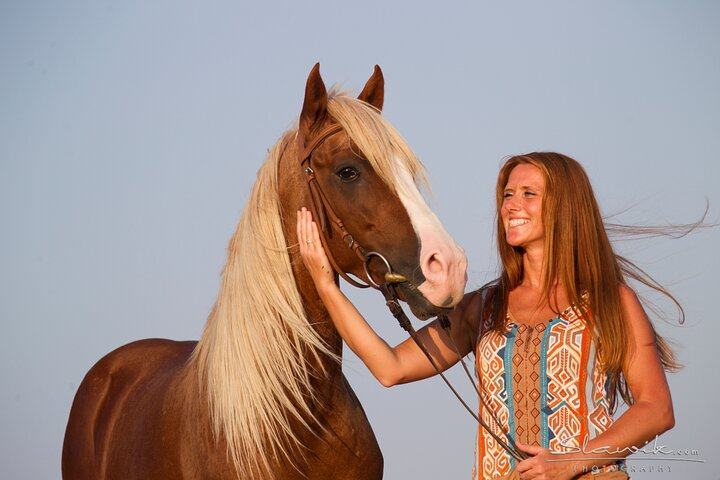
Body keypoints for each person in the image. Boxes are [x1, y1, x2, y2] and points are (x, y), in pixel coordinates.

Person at [297, 152, 678, 480]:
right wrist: (328, 287)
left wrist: (568, 462)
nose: (512, 205)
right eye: (508, 195)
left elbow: (656, 408)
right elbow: (390, 367)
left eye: (529, 195)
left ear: (566, 207)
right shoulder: (485, 307)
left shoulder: (611, 302)